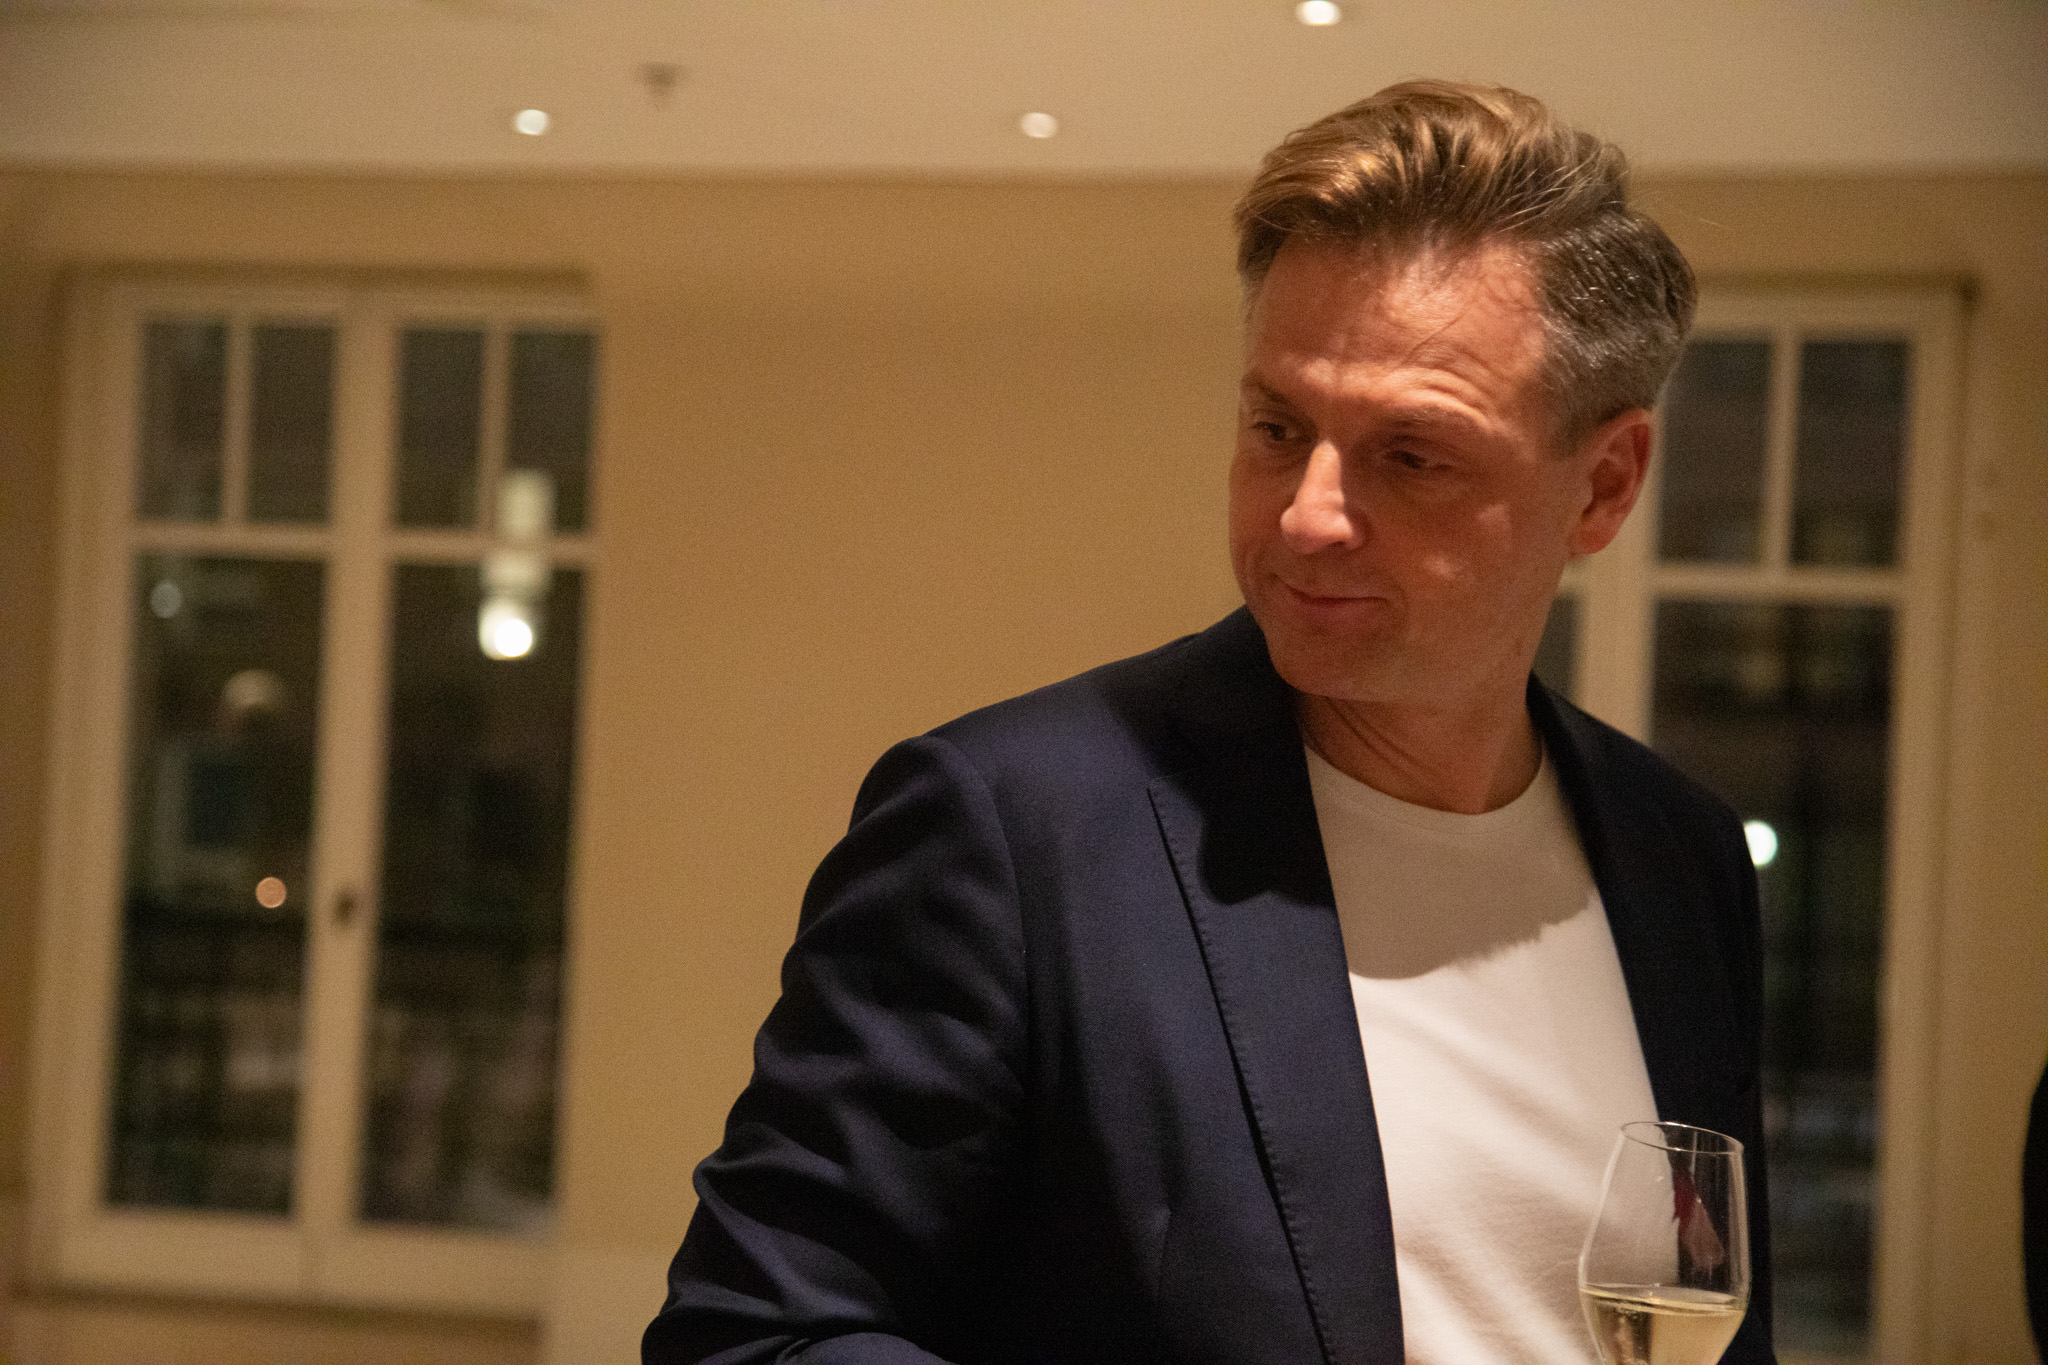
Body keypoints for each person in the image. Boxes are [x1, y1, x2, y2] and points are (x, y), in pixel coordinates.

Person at [645, 79, 1774, 1365]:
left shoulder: (1678, 859)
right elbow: (751, 1337)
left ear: (1604, 484)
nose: (1305, 513)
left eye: (1411, 454)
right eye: (1276, 428)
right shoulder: (1014, 833)